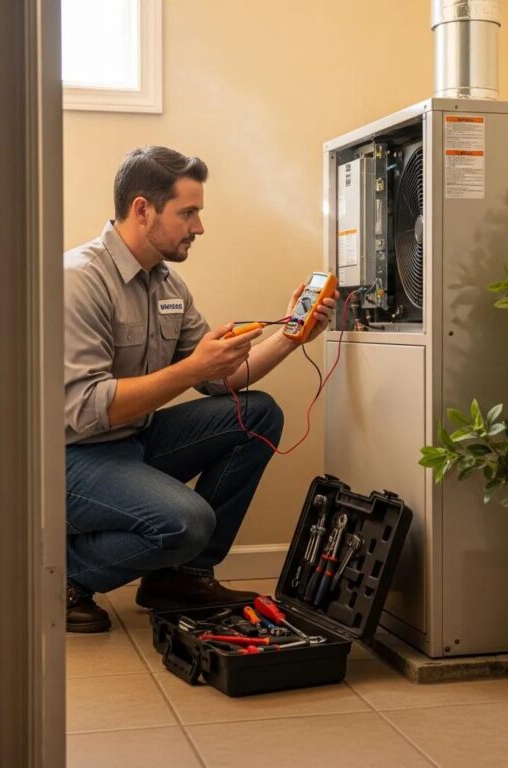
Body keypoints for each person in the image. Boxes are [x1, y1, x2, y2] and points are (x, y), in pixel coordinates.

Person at [64, 145, 336, 632]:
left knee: (257, 413)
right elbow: (85, 409)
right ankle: (61, 575)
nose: (199, 227)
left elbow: (221, 380)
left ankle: (181, 579)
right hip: (70, 457)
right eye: (188, 213)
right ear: (142, 209)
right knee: (188, 521)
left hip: (131, 441)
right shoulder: (78, 281)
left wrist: (293, 334)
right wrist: (190, 371)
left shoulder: (168, 285)